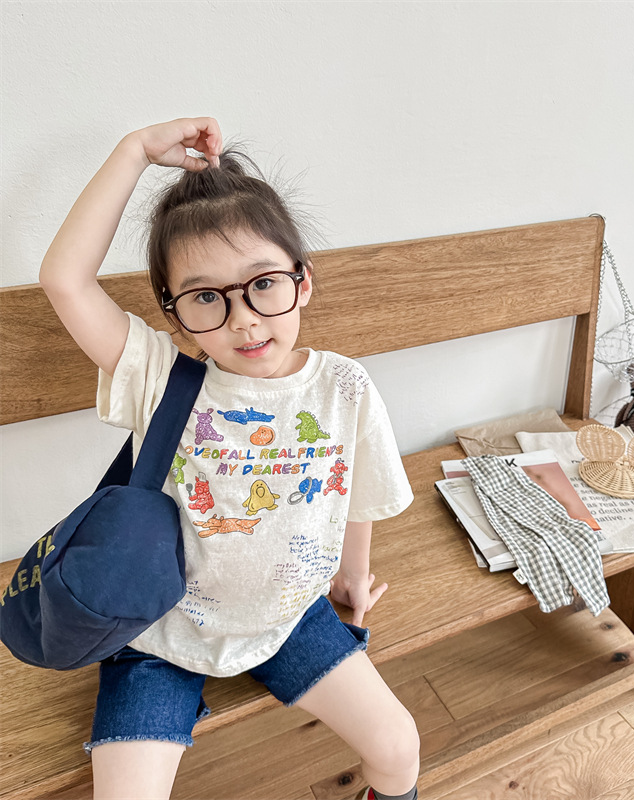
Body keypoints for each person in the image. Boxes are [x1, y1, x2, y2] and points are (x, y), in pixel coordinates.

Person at [39, 117, 420, 800]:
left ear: (303, 281)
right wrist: (133, 152)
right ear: (175, 313)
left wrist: (352, 580)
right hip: (160, 634)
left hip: (288, 618)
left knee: (399, 748)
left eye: (263, 283)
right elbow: (65, 280)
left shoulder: (344, 386)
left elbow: (354, 492)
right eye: (206, 297)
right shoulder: (159, 378)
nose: (243, 318)